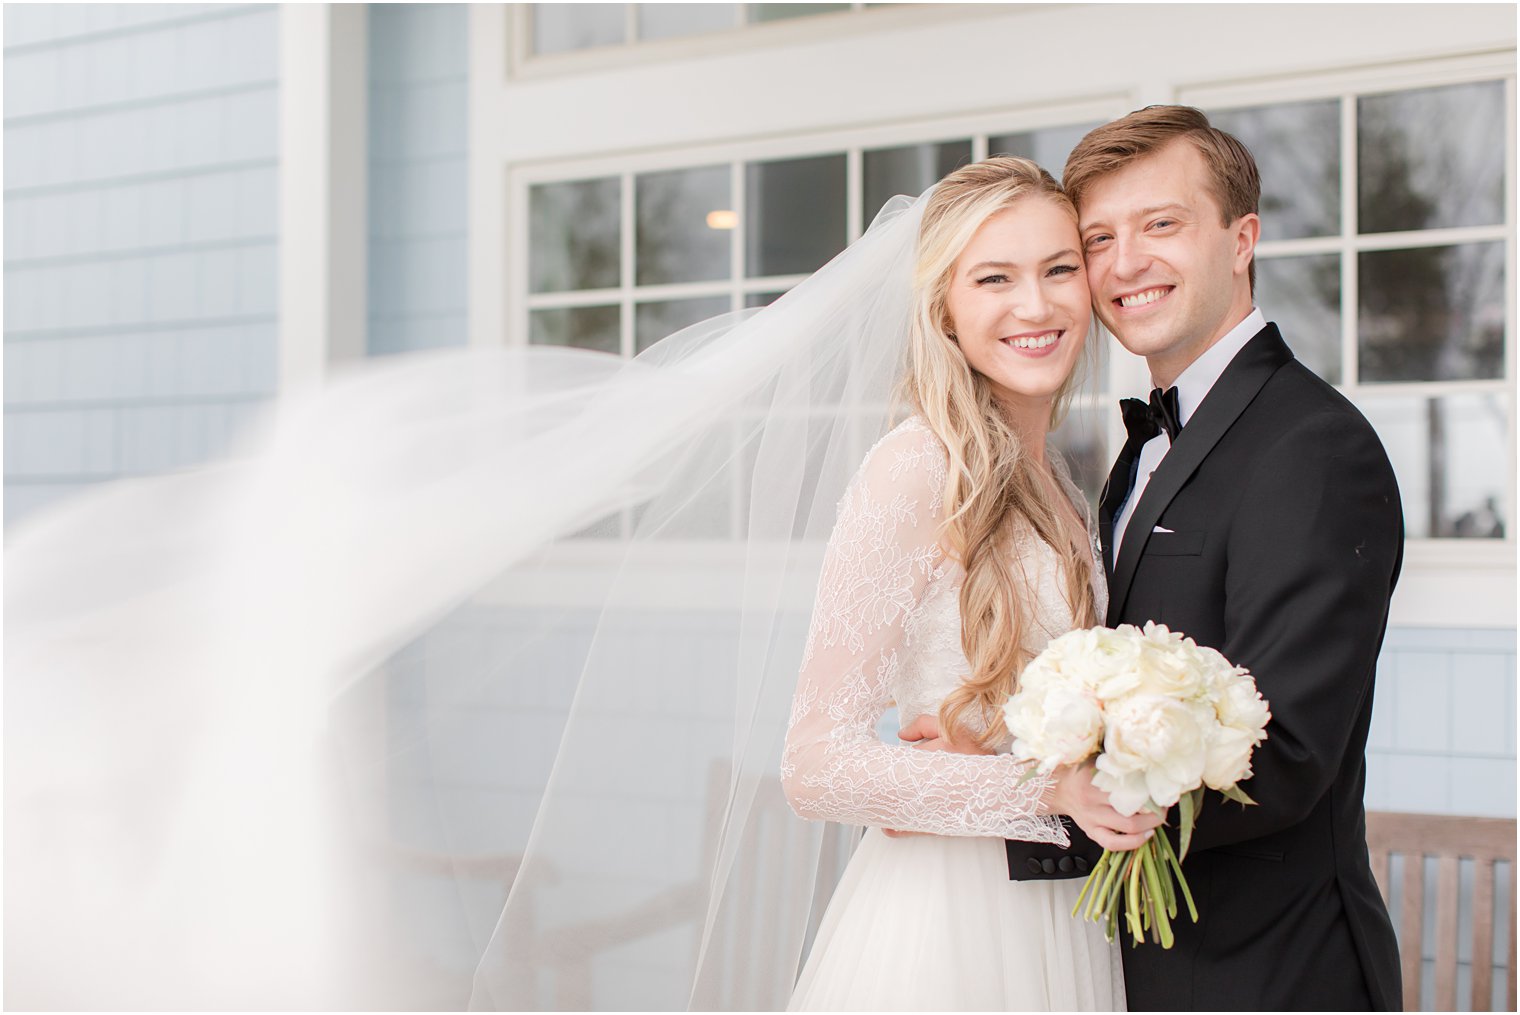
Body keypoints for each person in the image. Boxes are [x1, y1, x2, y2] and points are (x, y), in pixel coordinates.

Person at [996, 106, 1402, 1010]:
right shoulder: (1136, 448)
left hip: (1266, 972)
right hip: (1142, 960)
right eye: (1098, 238)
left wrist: (1019, 801)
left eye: (1161, 225)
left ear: (1242, 238)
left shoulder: (1312, 445)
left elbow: (1287, 754)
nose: (1124, 263)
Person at [780, 156, 1159, 1011]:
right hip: (949, 925)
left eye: (1060, 269)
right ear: (944, 308)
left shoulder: (1057, 476)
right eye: (995, 278)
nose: (1037, 305)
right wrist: (1042, 786)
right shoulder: (915, 467)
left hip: (1060, 907)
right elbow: (813, 766)